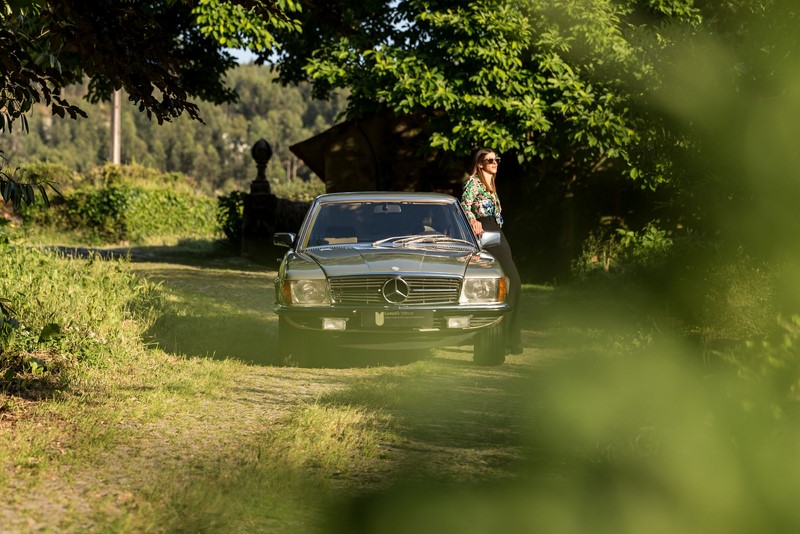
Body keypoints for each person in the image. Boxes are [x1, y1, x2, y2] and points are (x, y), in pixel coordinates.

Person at [460, 148, 523, 354]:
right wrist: (473, 221)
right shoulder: (474, 182)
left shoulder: (490, 185)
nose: (495, 163)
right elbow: (464, 206)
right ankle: (506, 339)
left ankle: (508, 338)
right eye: (490, 160)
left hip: (496, 232)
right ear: (480, 164)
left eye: (497, 159)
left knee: (509, 282)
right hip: (486, 233)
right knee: (511, 281)